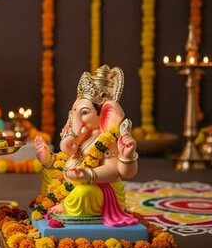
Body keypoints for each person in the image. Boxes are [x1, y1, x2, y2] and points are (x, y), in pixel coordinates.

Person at [34, 65, 139, 227]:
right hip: (72, 179)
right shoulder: (84, 132)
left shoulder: (108, 137)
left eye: (84, 113)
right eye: (75, 112)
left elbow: (118, 172)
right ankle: (59, 200)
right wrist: (48, 159)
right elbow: (68, 153)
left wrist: (88, 174)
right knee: (48, 173)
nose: (78, 118)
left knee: (84, 192)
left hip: (99, 188)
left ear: (105, 114)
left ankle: (68, 206)